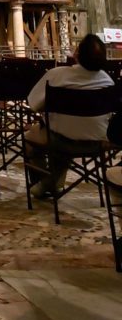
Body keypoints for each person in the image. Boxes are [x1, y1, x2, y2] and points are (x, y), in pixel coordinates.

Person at [25, 34, 114, 198]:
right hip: (99, 142)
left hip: (60, 141)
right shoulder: (108, 81)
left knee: (31, 137)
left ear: (77, 54)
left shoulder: (57, 75)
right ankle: (50, 182)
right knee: (63, 130)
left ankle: (45, 182)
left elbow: (33, 104)